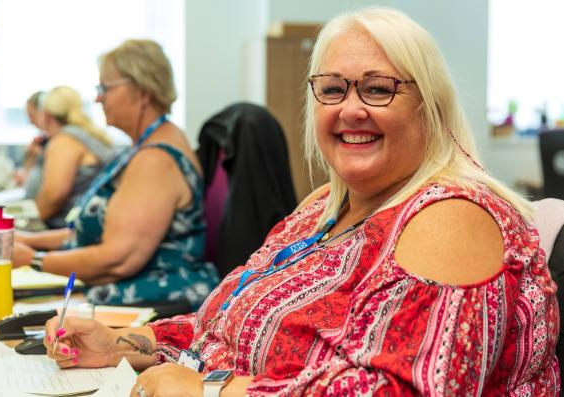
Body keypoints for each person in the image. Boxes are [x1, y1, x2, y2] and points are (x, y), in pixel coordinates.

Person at [39, 8, 559, 396]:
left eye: (378, 89)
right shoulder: (324, 207)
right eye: (332, 89)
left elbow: (400, 390)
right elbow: (219, 325)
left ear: (429, 106)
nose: (351, 109)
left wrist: (210, 390)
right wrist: (131, 346)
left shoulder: (453, 215)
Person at [13, 39, 219, 309]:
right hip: (129, 296)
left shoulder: (156, 160)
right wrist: (27, 242)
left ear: (142, 90)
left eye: (105, 88)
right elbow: (92, 233)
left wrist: (34, 261)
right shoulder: (146, 146)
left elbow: (118, 258)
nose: (98, 98)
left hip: (155, 307)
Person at [33, 85, 118, 229]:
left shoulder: (64, 140)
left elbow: (54, 197)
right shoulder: (88, 134)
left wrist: (27, 226)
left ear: (46, 114)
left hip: (66, 230)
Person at [13, 91, 47, 198]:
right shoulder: (41, 140)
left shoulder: (58, 142)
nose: (30, 122)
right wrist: (30, 156)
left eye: (32, 116)